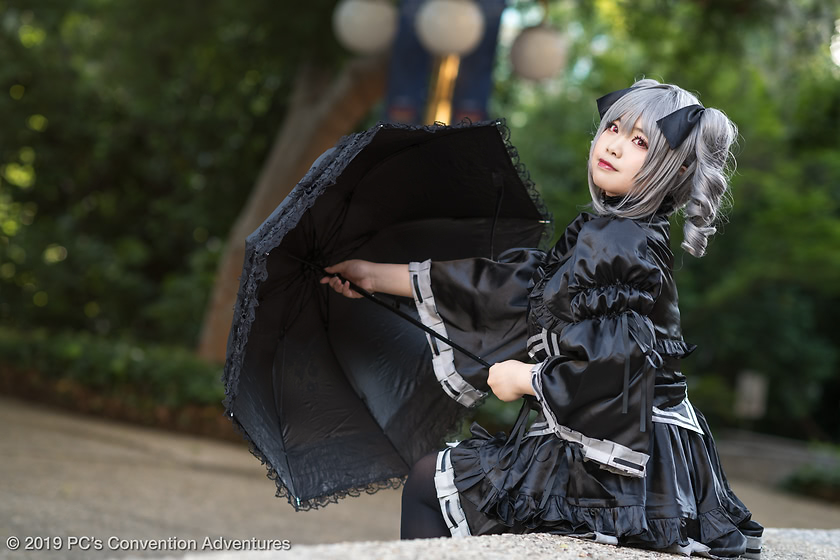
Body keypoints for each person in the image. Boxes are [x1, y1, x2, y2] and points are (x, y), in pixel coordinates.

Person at [320, 78, 764, 558]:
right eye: (613, 127)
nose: (613, 144)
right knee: (440, 482)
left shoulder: (621, 240)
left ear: (670, 168)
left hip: (626, 447)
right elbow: (510, 289)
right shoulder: (611, 231)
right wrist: (375, 277)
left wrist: (527, 377)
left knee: (431, 481)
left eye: (639, 142)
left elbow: (619, 361)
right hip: (630, 435)